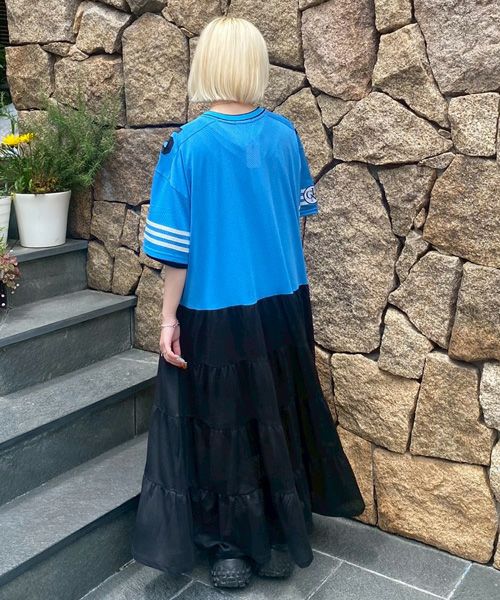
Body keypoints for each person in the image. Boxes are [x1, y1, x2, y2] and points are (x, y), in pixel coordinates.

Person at [131, 14, 365, 590]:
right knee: (275, 410)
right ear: (255, 64)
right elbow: (297, 217)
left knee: (224, 424)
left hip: (215, 309)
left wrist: (167, 319)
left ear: (207, 64)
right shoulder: (286, 136)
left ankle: (233, 546)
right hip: (283, 303)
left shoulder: (186, 147)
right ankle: (278, 534)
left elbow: (176, 253)